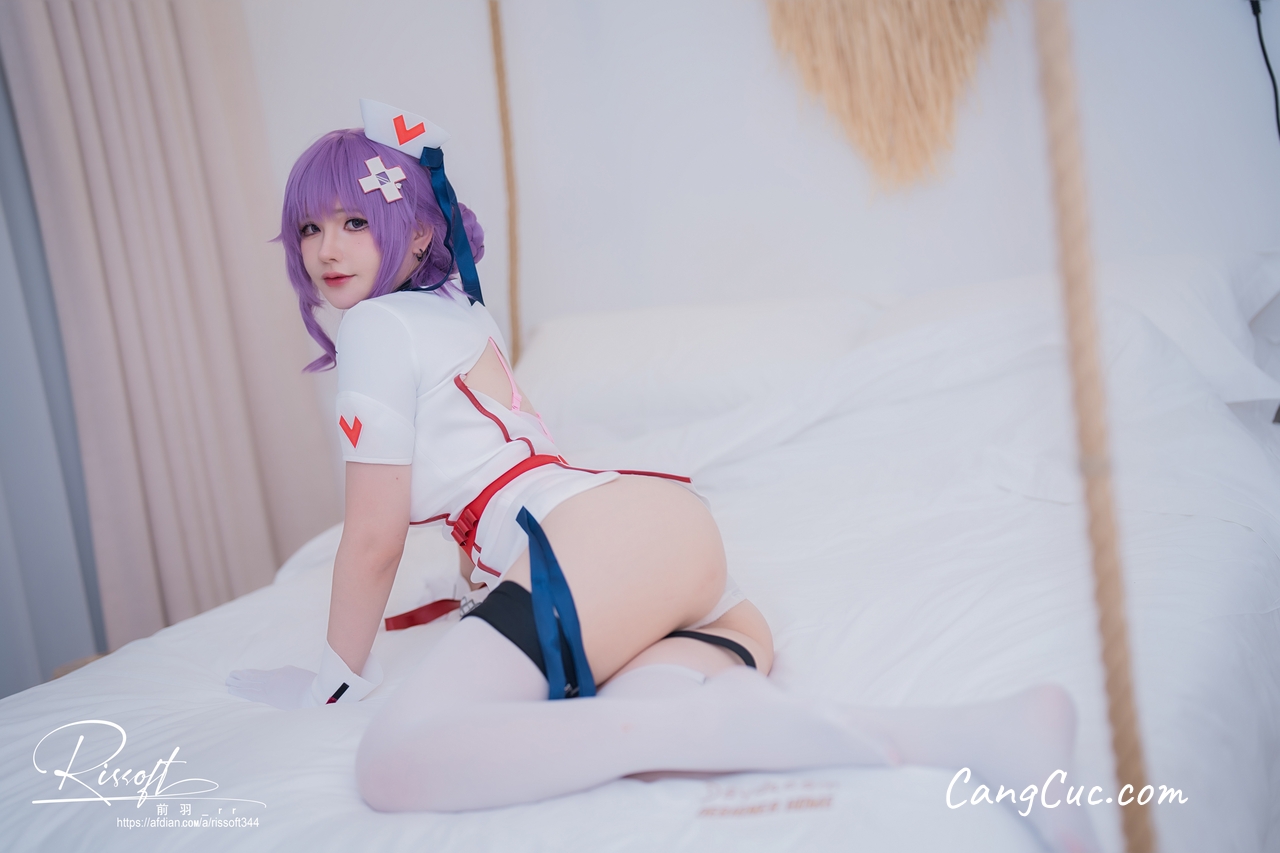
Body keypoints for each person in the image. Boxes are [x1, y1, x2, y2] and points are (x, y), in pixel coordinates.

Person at [228, 104, 1100, 853]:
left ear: (418, 231)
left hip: (600, 547)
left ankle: (989, 732)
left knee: (392, 760)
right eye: (309, 228)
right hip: (676, 557)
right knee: (649, 736)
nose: (326, 249)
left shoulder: (376, 329)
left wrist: (333, 678)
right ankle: (986, 732)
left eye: (355, 221)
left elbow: (373, 537)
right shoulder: (457, 311)